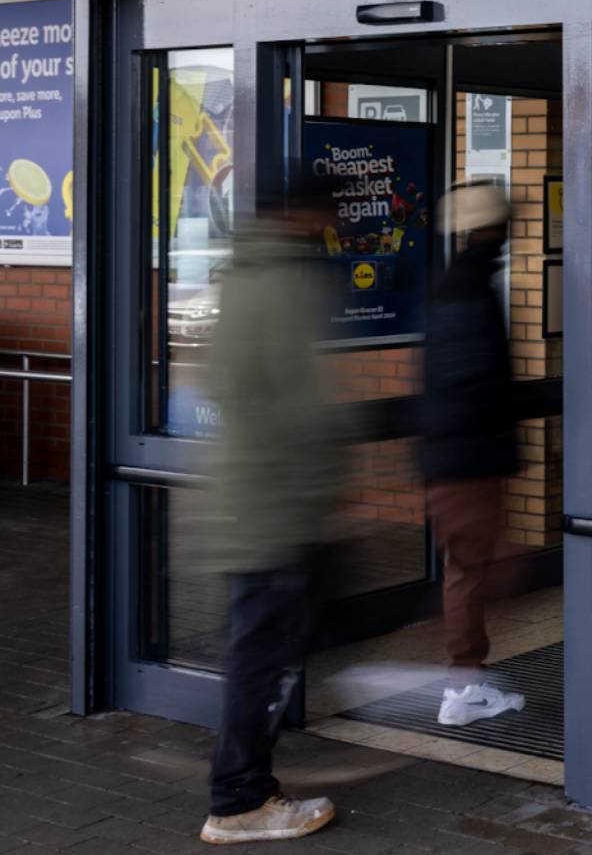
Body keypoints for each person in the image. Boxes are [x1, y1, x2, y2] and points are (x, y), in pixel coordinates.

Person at [198, 177, 346, 844]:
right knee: (259, 656)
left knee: (257, 651)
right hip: (272, 507)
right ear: (302, 214)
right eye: (324, 215)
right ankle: (239, 802)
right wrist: (315, 497)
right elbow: (295, 410)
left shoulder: (242, 275)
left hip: (249, 500)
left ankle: (244, 789)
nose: (329, 227)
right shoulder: (282, 284)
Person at [418, 180, 527, 727]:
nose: (510, 231)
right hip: (465, 461)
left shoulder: (462, 282)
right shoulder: (468, 290)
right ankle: (462, 686)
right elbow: (470, 383)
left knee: (470, 569)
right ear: (489, 228)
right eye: (504, 222)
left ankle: (467, 680)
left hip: (454, 456)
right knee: (468, 570)